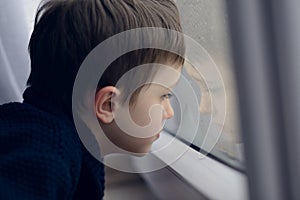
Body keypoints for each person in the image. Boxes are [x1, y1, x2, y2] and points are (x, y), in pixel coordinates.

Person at [0, 0, 185, 199]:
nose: (169, 112)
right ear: (108, 104)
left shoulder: (47, 138)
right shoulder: (45, 157)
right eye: (164, 95)